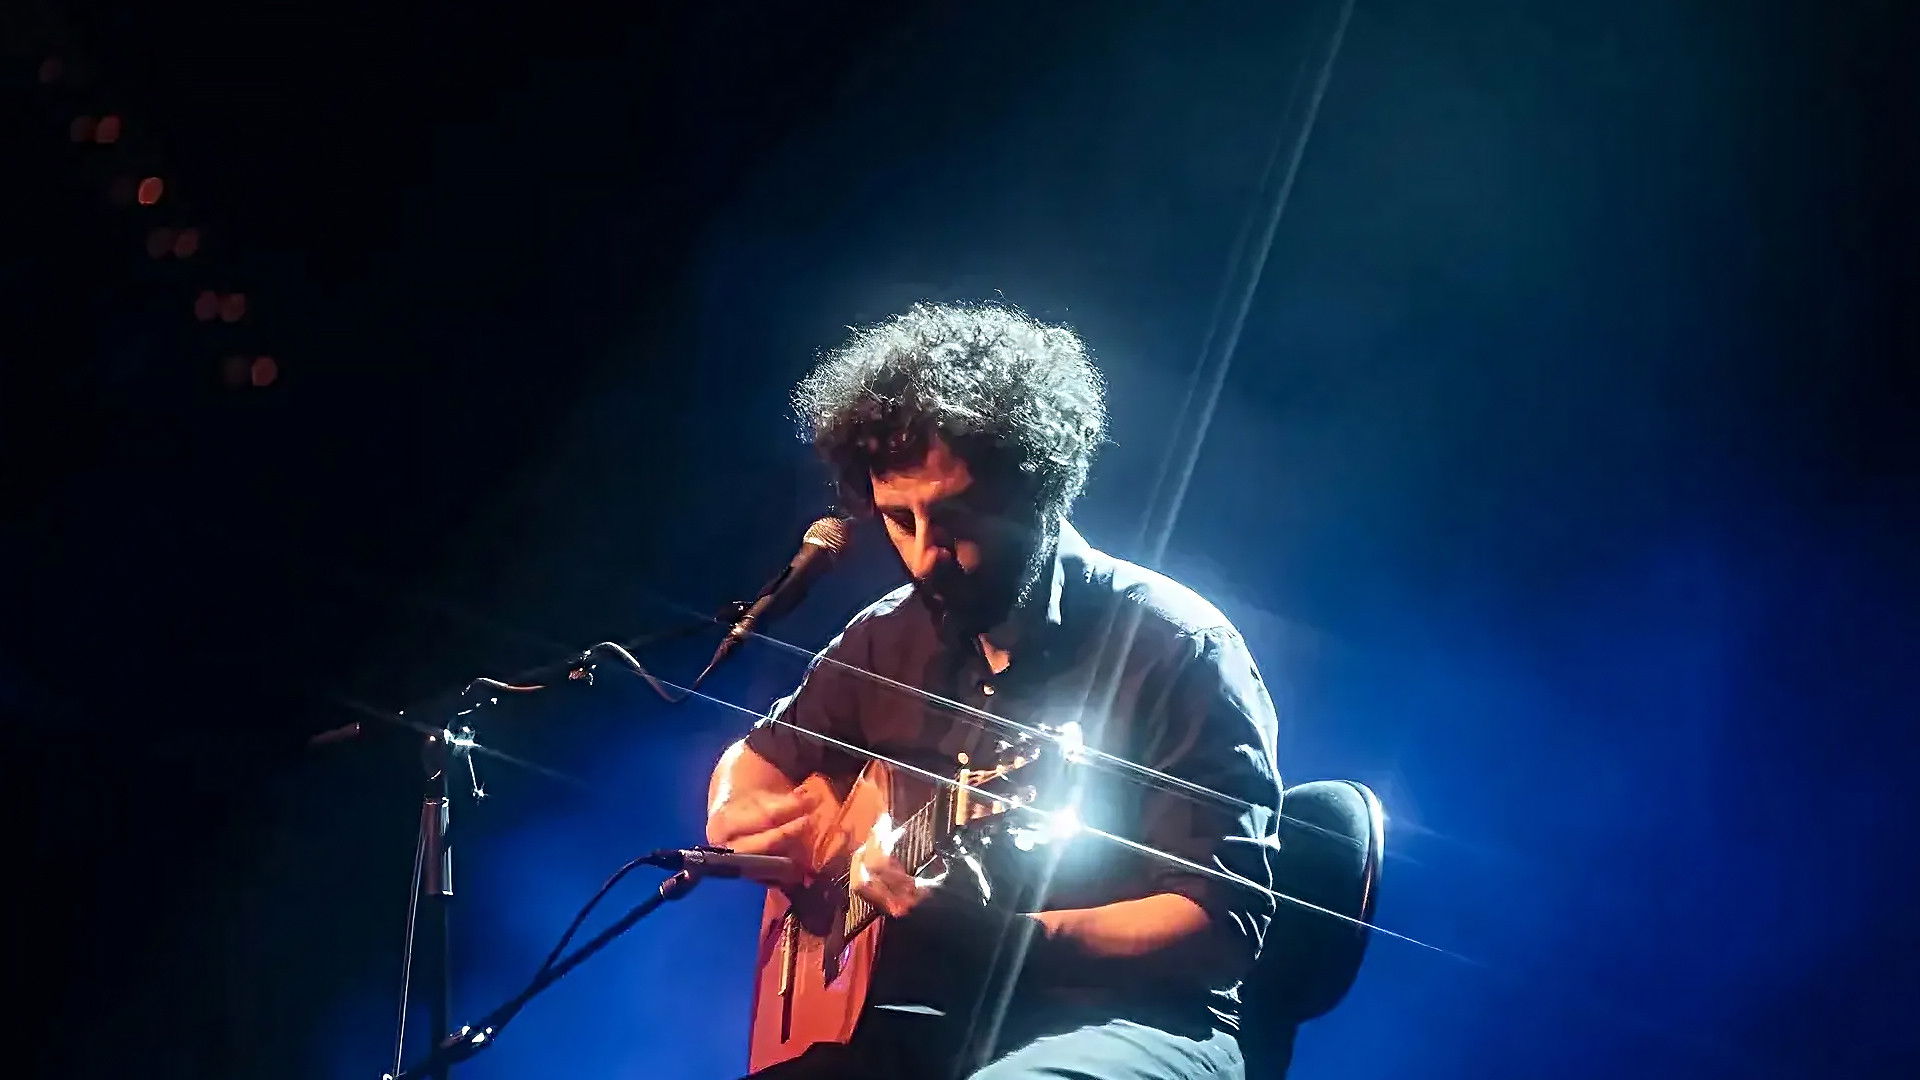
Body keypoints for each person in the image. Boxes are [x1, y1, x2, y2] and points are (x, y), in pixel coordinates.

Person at [707, 302, 1282, 1079]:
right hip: (932, 1010)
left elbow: (1221, 927)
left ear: (1038, 494)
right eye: (897, 521)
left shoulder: (1179, 647)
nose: (924, 557)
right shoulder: (885, 637)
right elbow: (756, 762)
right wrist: (740, 813)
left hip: (1132, 1020)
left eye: (953, 520)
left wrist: (1012, 934)